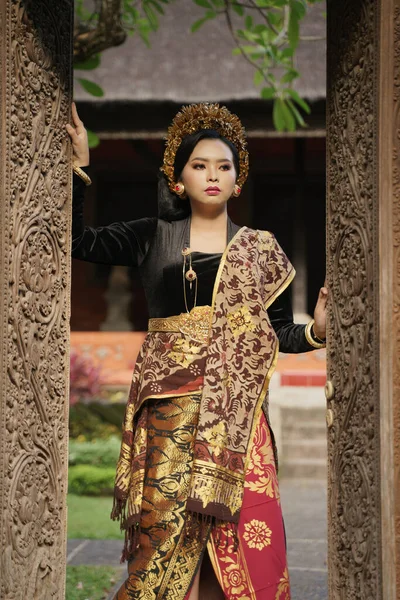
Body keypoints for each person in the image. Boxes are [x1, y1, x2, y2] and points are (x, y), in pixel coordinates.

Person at [66, 101, 327, 600]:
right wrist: (81, 166)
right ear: (178, 178)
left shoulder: (260, 249)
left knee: (247, 543)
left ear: (238, 179)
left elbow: (277, 335)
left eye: (224, 166)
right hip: (168, 417)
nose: (213, 175)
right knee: (163, 547)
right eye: (199, 165)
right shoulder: (152, 237)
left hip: (238, 425)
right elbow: (79, 240)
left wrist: (314, 331)